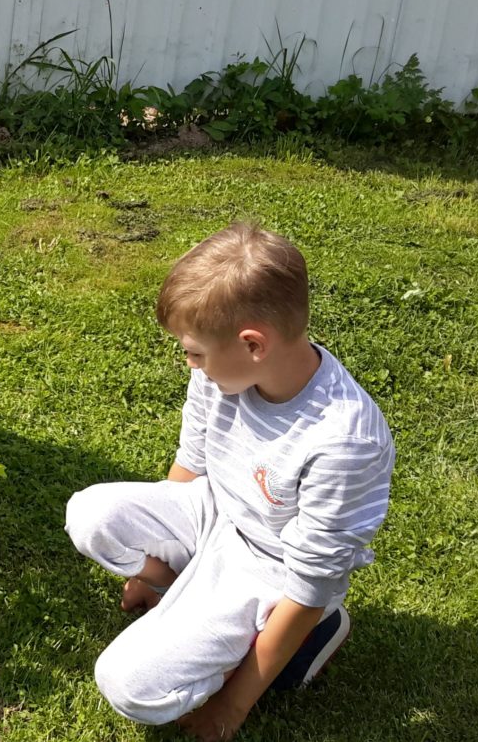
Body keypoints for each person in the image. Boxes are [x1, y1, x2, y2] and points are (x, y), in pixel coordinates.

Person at [65, 222, 395, 741]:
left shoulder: (344, 442)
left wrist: (232, 706)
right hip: (215, 512)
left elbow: (309, 584)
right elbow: (190, 466)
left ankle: (310, 638)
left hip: (273, 567)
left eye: (194, 351)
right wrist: (155, 570)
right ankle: (188, 597)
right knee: (90, 515)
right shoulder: (220, 374)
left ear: (253, 345)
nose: (189, 362)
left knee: (128, 686)